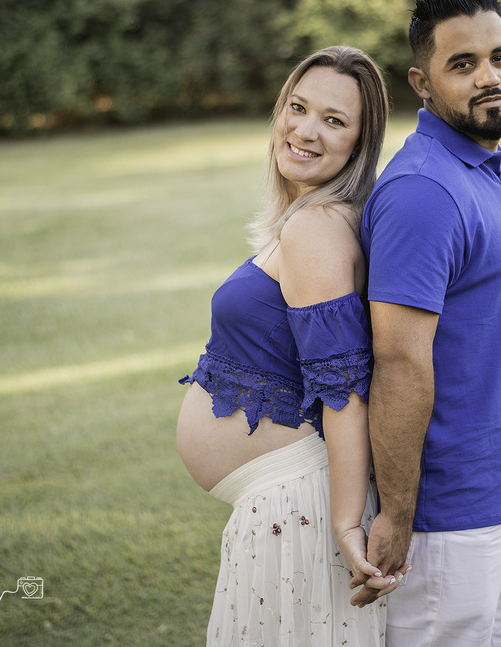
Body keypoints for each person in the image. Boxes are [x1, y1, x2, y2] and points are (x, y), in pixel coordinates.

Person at [176, 45, 403, 646]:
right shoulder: (313, 219)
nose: (305, 131)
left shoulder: (316, 228)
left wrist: (346, 523)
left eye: (334, 120)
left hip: (298, 511)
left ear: (359, 144)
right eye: (297, 108)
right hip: (282, 505)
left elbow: (344, 391)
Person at [354, 0, 501, 645]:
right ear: (423, 83)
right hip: (447, 522)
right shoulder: (424, 191)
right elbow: (398, 361)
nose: (489, 76)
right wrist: (398, 515)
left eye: (500, 57)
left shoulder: (479, 168)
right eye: (462, 64)